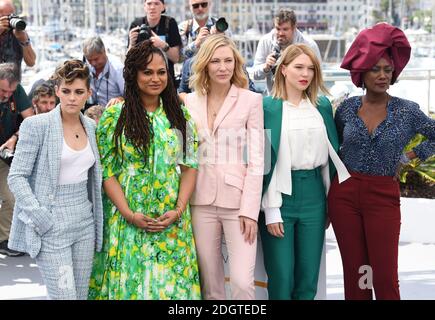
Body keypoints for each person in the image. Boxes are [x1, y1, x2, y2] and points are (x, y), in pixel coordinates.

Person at [328, 23, 435, 300]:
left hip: (382, 195)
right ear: (362, 72)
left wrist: (409, 156)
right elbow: (332, 148)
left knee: (385, 277)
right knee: (357, 275)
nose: (383, 75)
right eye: (375, 69)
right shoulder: (347, 108)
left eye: (388, 70)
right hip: (344, 195)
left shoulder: (407, 111)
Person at [88, 40, 201, 300]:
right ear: (133, 74)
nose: (155, 78)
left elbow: (190, 166)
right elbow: (108, 172)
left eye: (161, 72)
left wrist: (178, 210)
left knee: (172, 292)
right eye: (147, 72)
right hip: (128, 221)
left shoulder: (180, 117)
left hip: (170, 220)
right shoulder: (115, 116)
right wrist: (128, 214)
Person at [7, 59, 104, 300]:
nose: (72, 97)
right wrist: (41, 218)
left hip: (84, 223)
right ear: (58, 90)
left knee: (81, 296)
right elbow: (16, 176)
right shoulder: (36, 125)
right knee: (64, 296)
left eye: (79, 92)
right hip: (52, 224)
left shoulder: (91, 127)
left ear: (88, 94)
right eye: (67, 91)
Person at [259, 44, 350, 300]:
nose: (305, 74)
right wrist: (271, 208)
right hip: (280, 197)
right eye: (299, 67)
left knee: (308, 279)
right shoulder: (268, 108)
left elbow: (329, 161)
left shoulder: (321, 106)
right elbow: (264, 162)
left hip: (314, 197)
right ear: (283, 69)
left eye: (311, 68)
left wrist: (331, 204)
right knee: (281, 278)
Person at [184, 34, 264, 300]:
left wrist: (250, 211)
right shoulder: (190, 102)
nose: (223, 67)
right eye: (216, 61)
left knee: (242, 282)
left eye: (228, 61)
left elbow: (257, 161)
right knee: (210, 286)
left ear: (236, 63)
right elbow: (185, 155)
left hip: (238, 203)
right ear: (205, 64)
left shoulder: (251, 100)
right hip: (200, 201)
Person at [0, 62, 33, 257]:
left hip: (4, 154)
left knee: (12, 196)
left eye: (9, 92)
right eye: (2, 90)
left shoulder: (16, 91)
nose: (5, 96)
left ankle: (3, 238)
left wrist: (13, 139)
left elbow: (29, 121)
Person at [252, 9, 321, 95]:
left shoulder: (309, 45)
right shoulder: (265, 41)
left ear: (294, 28)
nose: (280, 33)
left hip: (302, 98)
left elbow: (318, 75)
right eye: (277, 28)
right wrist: (265, 67)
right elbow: (255, 75)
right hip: (275, 98)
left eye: (285, 29)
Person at [128, 0, 182, 86]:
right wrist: (131, 43)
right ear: (144, 6)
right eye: (149, 4)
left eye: (156, 3)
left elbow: (176, 58)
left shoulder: (170, 23)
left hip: (166, 80)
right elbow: (128, 61)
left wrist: (163, 45)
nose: (152, 7)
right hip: (142, 80)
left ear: (163, 7)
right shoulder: (136, 24)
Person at [83, 36, 125, 108]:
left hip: (115, 113)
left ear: (104, 51)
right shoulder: (86, 66)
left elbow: (130, 95)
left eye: (96, 59)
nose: (93, 63)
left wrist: (120, 99)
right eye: (89, 60)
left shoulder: (118, 69)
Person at [0, 0, 36, 68]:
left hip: (13, 77)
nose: (9, 19)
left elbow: (31, 62)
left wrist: (24, 41)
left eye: (11, 15)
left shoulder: (17, 32)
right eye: (5, 16)